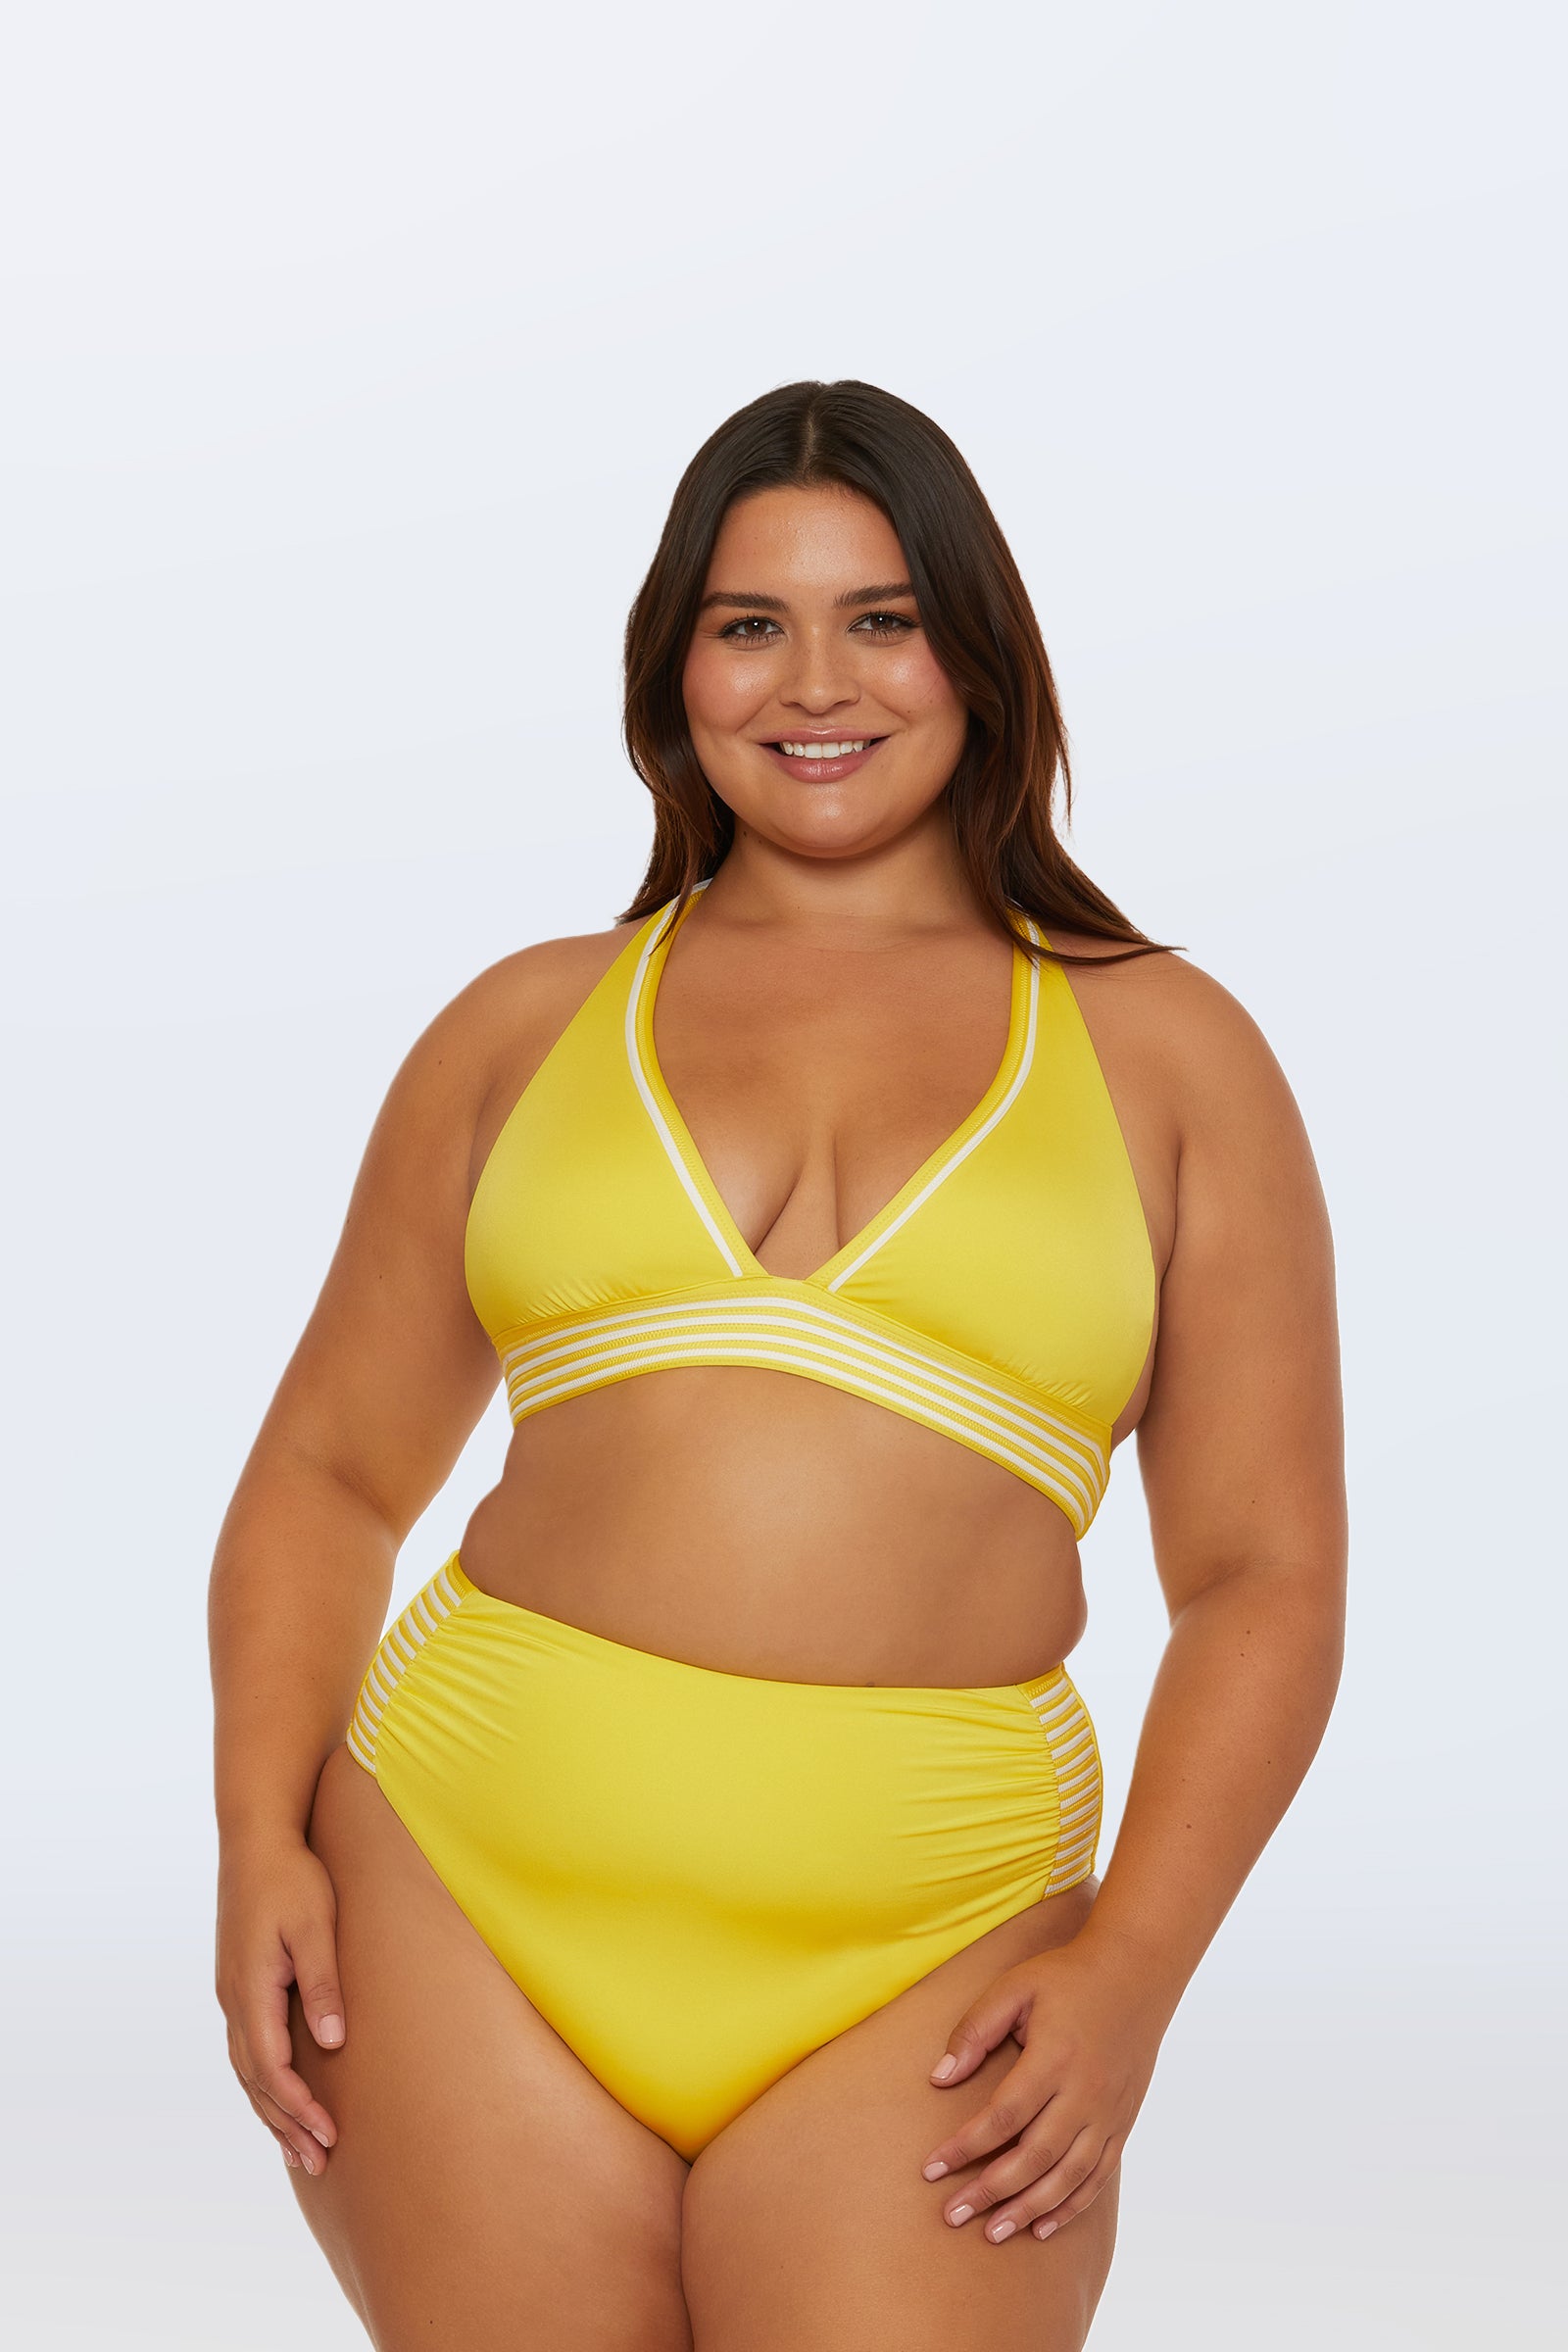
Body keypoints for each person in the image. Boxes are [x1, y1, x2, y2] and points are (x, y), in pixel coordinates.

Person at [210, 378, 1347, 2350]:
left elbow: (1265, 1581)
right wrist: (255, 1836)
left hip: (929, 1950)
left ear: (975, 652)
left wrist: (1134, 1973)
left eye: (879, 618)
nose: (815, 682)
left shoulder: (1170, 1054)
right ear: (677, 668)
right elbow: (328, 1474)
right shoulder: (521, 1026)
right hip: (462, 1893)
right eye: (751, 624)